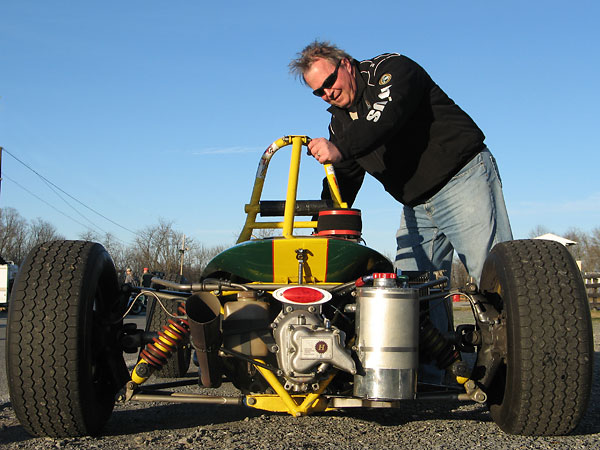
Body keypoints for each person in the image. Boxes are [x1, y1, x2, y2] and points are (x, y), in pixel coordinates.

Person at [290, 41, 513, 383]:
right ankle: (433, 378)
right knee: (411, 297)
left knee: (493, 276)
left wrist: (340, 149)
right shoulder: (341, 126)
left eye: (329, 82)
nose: (326, 94)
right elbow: (344, 181)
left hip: (461, 178)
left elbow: (384, 119)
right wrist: (324, 226)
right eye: (317, 92)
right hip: (416, 206)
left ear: (347, 64)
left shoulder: (391, 71)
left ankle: (516, 375)